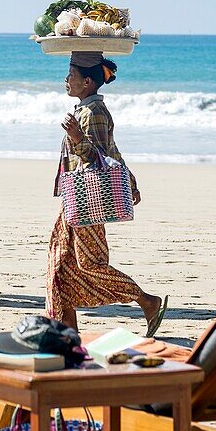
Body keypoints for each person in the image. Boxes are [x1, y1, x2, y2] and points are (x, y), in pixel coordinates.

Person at [46, 51, 167, 335]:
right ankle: (68, 333)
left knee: (89, 264)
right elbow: (113, 152)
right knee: (60, 264)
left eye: (72, 76)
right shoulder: (85, 111)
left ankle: (146, 300)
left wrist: (77, 137)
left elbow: (99, 158)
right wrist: (131, 179)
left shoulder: (93, 114)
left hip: (87, 201)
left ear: (87, 82)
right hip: (76, 198)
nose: (66, 80)